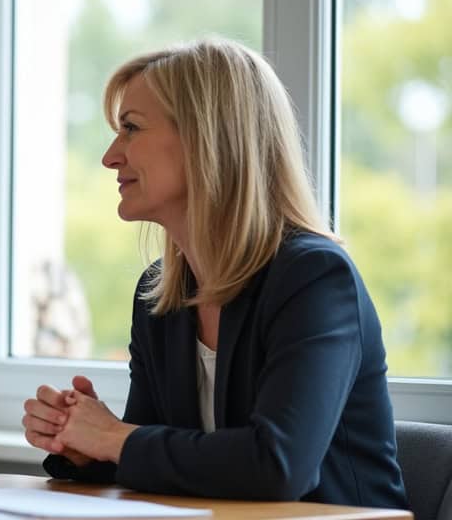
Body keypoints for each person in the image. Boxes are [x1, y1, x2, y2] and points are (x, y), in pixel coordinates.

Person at [22, 38, 409, 508]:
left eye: (131, 129)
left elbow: (277, 467)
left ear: (206, 139)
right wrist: (85, 447)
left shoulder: (314, 278)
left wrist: (114, 439)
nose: (110, 156)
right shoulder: (159, 293)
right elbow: (157, 451)